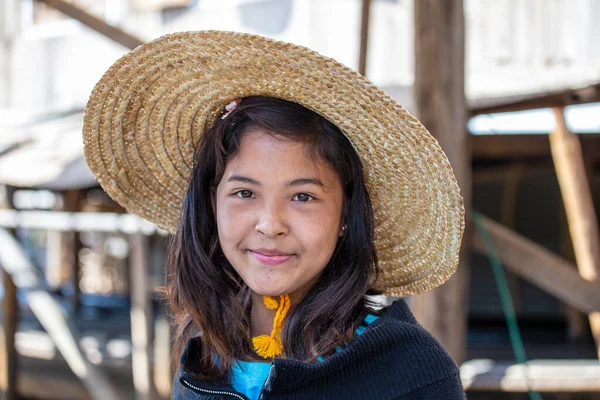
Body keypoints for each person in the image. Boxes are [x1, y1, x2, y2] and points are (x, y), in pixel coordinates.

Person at [83, 31, 465, 400]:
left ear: (346, 213)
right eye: (244, 193)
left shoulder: (412, 373)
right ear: (211, 203)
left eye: (303, 196)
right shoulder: (205, 360)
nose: (269, 224)